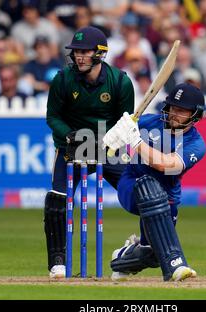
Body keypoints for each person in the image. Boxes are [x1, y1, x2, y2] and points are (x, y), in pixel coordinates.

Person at [44, 26, 135, 278]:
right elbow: (53, 117)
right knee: (57, 200)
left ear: (99, 53)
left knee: (143, 194)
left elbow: (124, 123)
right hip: (72, 149)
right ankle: (58, 260)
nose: (78, 56)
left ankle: (141, 251)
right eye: (76, 52)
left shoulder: (120, 81)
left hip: (107, 148)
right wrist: (70, 137)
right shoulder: (63, 79)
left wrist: (109, 141)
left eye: (84, 52)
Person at [102, 83, 206, 281]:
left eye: (181, 110)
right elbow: (108, 145)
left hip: (168, 198)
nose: (175, 113)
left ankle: (123, 258)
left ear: (195, 115)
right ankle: (176, 265)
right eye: (173, 108)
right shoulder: (149, 122)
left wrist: (137, 143)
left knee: (153, 253)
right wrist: (117, 132)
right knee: (149, 186)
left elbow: (167, 165)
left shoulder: (196, 144)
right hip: (132, 185)